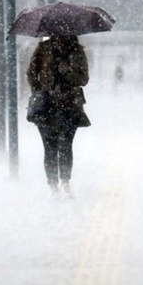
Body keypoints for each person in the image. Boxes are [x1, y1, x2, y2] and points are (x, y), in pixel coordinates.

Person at [27, 35, 90, 196]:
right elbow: (31, 73)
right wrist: (39, 91)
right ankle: (53, 185)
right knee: (49, 147)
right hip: (46, 106)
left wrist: (67, 72)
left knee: (66, 145)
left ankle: (65, 181)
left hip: (69, 105)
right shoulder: (43, 49)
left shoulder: (76, 50)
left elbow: (84, 79)